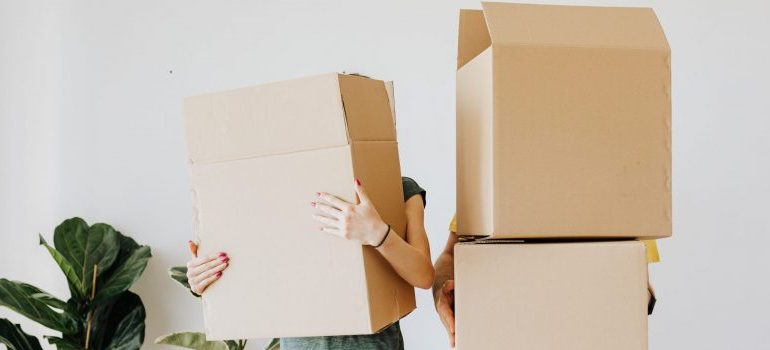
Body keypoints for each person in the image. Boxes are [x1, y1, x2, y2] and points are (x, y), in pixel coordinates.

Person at [185, 177, 433, 350]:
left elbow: (423, 276)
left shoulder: (398, 187)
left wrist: (376, 233)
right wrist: (204, 278)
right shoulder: (270, 191)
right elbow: (253, 269)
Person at [432, 215, 660, 348]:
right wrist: (440, 295)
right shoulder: (497, 176)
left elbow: (638, 284)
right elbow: (450, 255)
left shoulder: (621, 189)